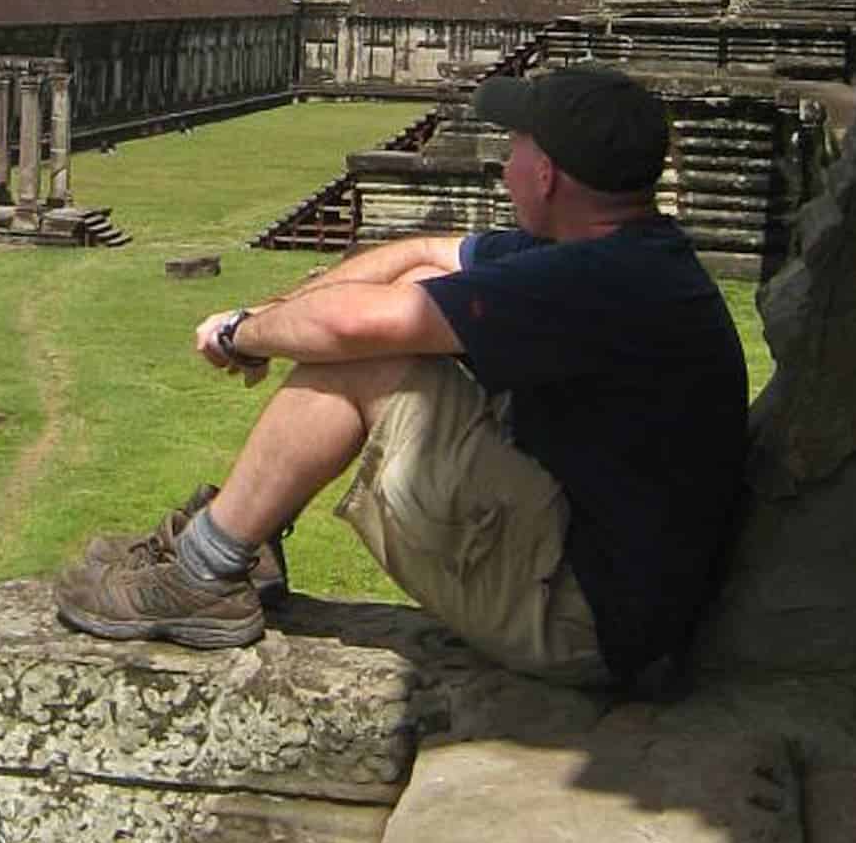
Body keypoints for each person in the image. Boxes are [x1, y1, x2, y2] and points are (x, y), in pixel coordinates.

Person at [53, 63, 748, 688]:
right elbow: (413, 255)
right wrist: (270, 310)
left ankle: (204, 571)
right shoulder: (621, 254)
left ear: (545, 174)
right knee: (406, 295)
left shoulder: (593, 279)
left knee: (372, 359)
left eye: (514, 149)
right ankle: (236, 536)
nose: (505, 165)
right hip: (598, 582)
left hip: (580, 622)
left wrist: (241, 334)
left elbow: (351, 329)